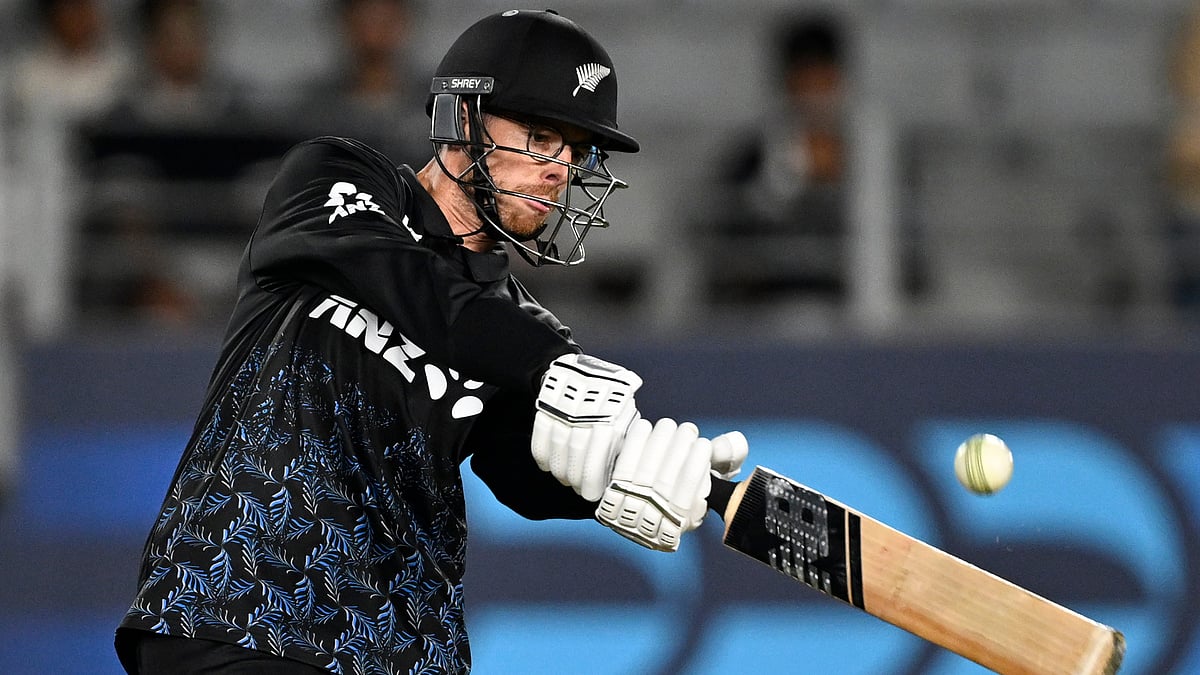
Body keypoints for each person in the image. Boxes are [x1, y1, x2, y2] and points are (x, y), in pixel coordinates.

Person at [113, 9, 748, 674]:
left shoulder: (515, 328)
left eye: (576, 150)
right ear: (463, 121)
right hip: (239, 607)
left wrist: (620, 471)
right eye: (539, 135)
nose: (561, 169)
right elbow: (427, 294)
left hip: (397, 650)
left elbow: (520, 472)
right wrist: (557, 364)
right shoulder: (333, 180)